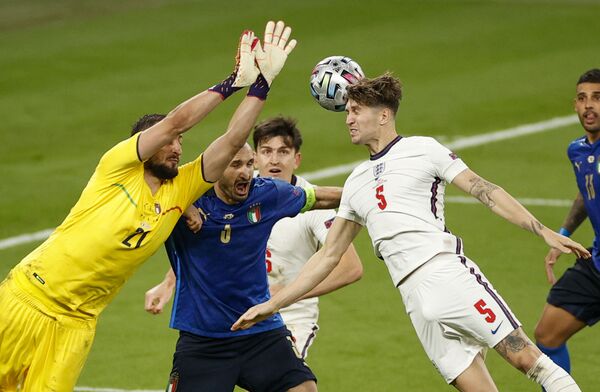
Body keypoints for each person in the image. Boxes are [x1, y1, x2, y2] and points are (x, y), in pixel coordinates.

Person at [232, 73, 590, 392]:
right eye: (347, 112)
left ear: (383, 115)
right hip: (413, 299)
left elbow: (484, 190)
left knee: (530, 361)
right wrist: (272, 304)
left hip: (447, 274)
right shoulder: (356, 182)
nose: (349, 119)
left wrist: (542, 230)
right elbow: (328, 256)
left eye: (356, 111)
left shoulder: (423, 149)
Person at [0, 21, 296, 391]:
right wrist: (233, 81)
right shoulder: (117, 168)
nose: (176, 147)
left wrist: (261, 84)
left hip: (77, 325)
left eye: (181, 143)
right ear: (143, 144)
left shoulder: (180, 188)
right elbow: (175, 121)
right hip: (28, 297)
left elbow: (234, 138)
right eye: (169, 142)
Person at [145, 116, 363, 359]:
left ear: (297, 158)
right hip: (233, 307)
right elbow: (208, 247)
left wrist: (283, 295)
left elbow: (350, 268)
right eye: (266, 151)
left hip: (289, 315)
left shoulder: (313, 207)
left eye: (283, 151)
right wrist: (168, 283)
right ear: (256, 157)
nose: (274, 160)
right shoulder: (239, 193)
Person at [534, 68, 600, 380]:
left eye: (598, 98)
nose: (590, 106)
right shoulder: (578, 150)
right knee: (547, 336)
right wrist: (562, 237)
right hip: (596, 263)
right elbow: (586, 192)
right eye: (583, 98)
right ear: (574, 104)